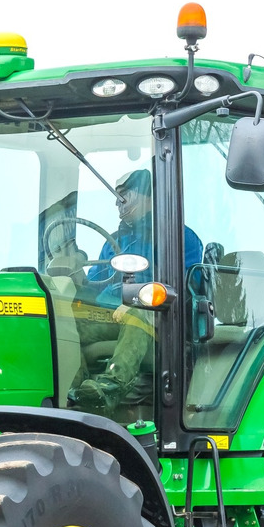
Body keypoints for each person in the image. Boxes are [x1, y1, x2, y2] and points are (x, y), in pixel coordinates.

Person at [67, 169, 203, 411]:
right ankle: (76, 391)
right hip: (111, 315)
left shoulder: (180, 238)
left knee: (136, 314)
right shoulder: (114, 242)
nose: (118, 204)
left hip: (159, 323)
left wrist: (133, 302)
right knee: (66, 324)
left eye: (124, 196)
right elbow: (94, 286)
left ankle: (110, 387)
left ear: (145, 195)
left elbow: (182, 290)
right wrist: (76, 278)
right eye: (116, 198)